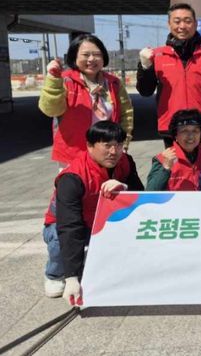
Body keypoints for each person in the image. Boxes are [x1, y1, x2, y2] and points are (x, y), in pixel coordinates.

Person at [42, 121, 144, 304]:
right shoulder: (72, 178)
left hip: (102, 221)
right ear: (89, 146)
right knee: (58, 238)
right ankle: (55, 274)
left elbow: (140, 196)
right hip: (68, 224)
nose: (114, 151)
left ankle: (91, 257)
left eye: (118, 145)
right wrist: (71, 278)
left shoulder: (126, 162)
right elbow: (69, 226)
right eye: (107, 145)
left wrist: (124, 188)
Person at [39, 34, 133, 167]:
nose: (92, 59)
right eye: (86, 55)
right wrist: (53, 80)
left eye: (97, 54)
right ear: (74, 57)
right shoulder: (64, 80)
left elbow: (126, 114)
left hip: (107, 155)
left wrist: (123, 143)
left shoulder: (113, 83)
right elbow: (51, 109)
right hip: (73, 156)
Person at [137, 3, 201, 146]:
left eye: (188, 21)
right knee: (175, 162)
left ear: (195, 24)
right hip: (171, 127)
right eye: (177, 21)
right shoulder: (157, 55)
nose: (182, 26)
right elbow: (145, 91)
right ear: (169, 24)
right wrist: (145, 67)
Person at [146, 109, 201, 191]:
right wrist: (165, 168)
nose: (191, 136)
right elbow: (150, 192)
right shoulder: (162, 159)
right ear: (176, 135)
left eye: (195, 131)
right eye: (184, 131)